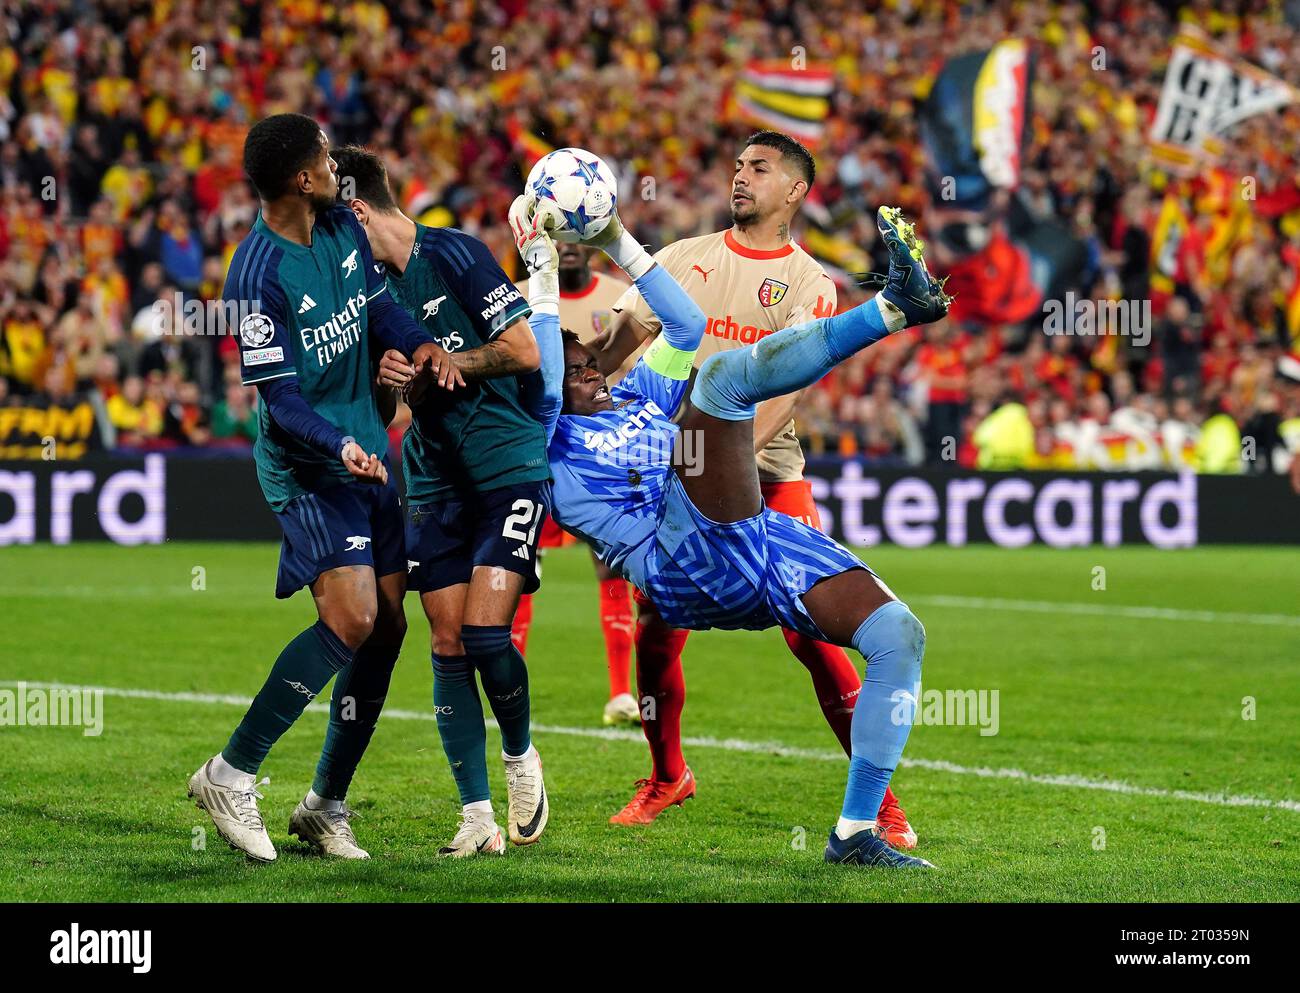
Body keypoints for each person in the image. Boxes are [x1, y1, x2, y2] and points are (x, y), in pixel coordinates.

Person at [389, 197, 949, 867]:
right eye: (576, 364)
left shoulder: (638, 396)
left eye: (593, 358)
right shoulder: (546, 436)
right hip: (679, 560)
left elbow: (684, 320)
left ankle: (857, 830)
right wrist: (537, 262)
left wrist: (616, 238)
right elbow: (539, 360)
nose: (593, 366)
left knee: (898, 635)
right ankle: (893, 309)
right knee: (720, 380)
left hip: (754, 536)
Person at [585, 132, 915, 845]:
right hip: (677, 473)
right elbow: (619, 342)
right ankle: (667, 773)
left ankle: (877, 805)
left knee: (816, 637)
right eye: (736, 165)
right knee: (658, 635)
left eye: (758, 169)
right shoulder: (684, 258)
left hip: (766, 474)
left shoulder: (810, 282)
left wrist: (714, 465)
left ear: (794, 192)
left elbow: (785, 394)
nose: (740, 177)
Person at [187, 114, 453, 862]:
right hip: (309, 465)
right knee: (353, 616)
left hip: (368, 445)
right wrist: (337, 442)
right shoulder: (257, 274)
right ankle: (230, 772)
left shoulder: (341, 224)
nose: (338, 165)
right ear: (302, 178)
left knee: (389, 627)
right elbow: (280, 399)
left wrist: (415, 343)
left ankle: (324, 804)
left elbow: (378, 308)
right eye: (326, 158)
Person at [334, 145, 549, 857]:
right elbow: (382, 407)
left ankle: (521, 761)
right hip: (430, 480)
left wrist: (451, 359)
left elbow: (523, 350)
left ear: (357, 209)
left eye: (334, 224)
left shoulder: (454, 253)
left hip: (506, 464)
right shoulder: (361, 292)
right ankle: (476, 814)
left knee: (488, 635)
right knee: (448, 639)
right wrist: (391, 377)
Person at [511, 243, 642, 727]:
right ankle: (511, 684)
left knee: (613, 569)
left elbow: (632, 373)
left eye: (572, 235)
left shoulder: (619, 298)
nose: (565, 247)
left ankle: (622, 693)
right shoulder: (516, 297)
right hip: (541, 453)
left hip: (602, 458)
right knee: (520, 569)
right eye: (553, 237)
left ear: (588, 241)